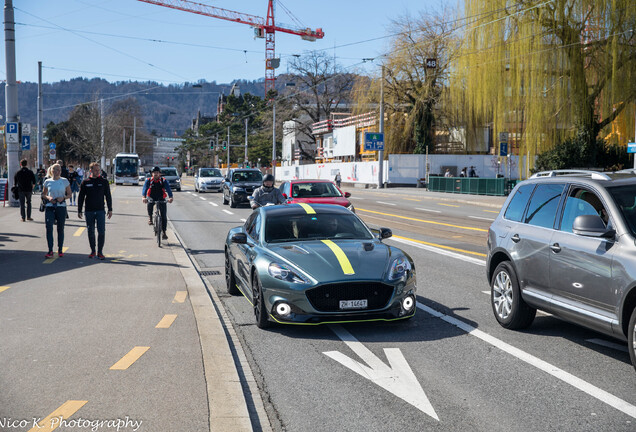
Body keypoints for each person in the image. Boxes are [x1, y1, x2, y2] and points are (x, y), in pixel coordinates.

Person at [78, 162, 113, 260]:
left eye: (99, 170)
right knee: (91, 231)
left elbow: (108, 196)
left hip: (100, 210)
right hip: (89, 210)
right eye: (96, 170)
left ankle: (100, 251)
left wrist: (110, 209)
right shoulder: (85, 182)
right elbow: (81, 197)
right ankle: (93, 251)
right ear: (91, 170)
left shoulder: (104, 181)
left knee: (101, 231)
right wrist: (79, 210)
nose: (98, 172)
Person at [42, 163, 71, 258]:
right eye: (56, 169)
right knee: (49, 228)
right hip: (50, 206)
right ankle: (50, 250)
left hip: (61, 207)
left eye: (59, 170)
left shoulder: (64, 181)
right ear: (52, 171)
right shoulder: (47, 181)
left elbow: (69, 194)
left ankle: (60, 249)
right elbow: (43, 194)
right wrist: (48, 197)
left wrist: (63, 198)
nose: (58, 171)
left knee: (60, 228)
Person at [142, 166, 173, 240]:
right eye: (154, 173)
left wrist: (170, 197)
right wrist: (143, 197)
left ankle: (164, 232)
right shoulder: (148, 180)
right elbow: (144, 189)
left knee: (164, 215)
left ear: (159, 174)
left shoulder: (163, 180)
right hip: (151, 196)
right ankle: (150, 217)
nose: (155, 174)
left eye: (157, 173)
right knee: (149, 203)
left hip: (161, 197)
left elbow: (168, 189)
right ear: (151, 174)